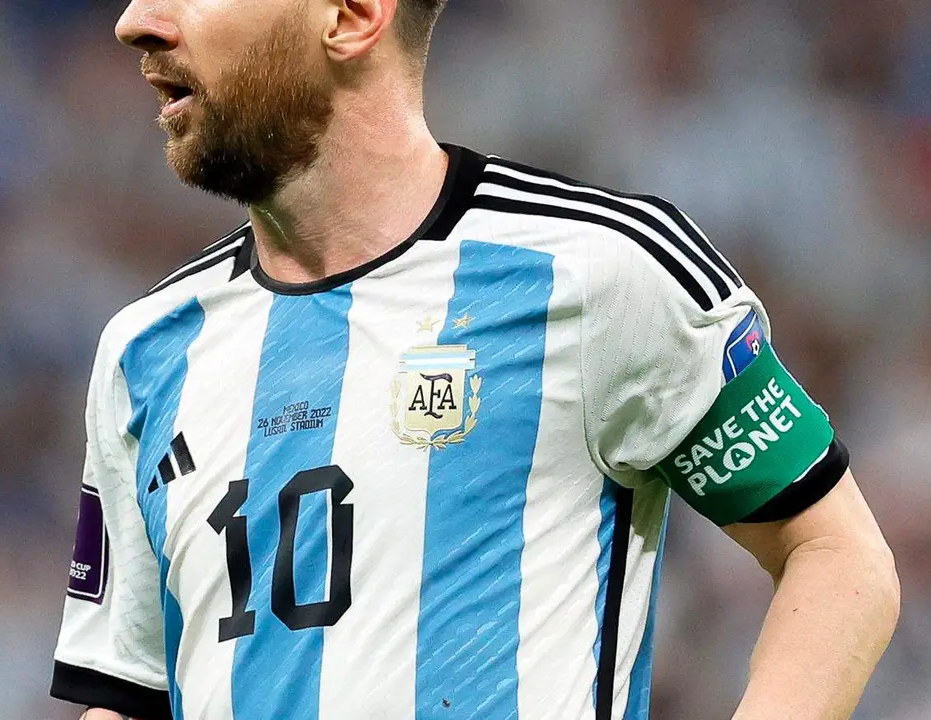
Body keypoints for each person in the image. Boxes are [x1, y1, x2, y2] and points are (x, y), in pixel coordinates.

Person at [50, 0, 900, 718]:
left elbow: (836, 555)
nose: (135, 22)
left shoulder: (600, 269)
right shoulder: (146, 352)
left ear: (352, 15)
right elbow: (128, 695)